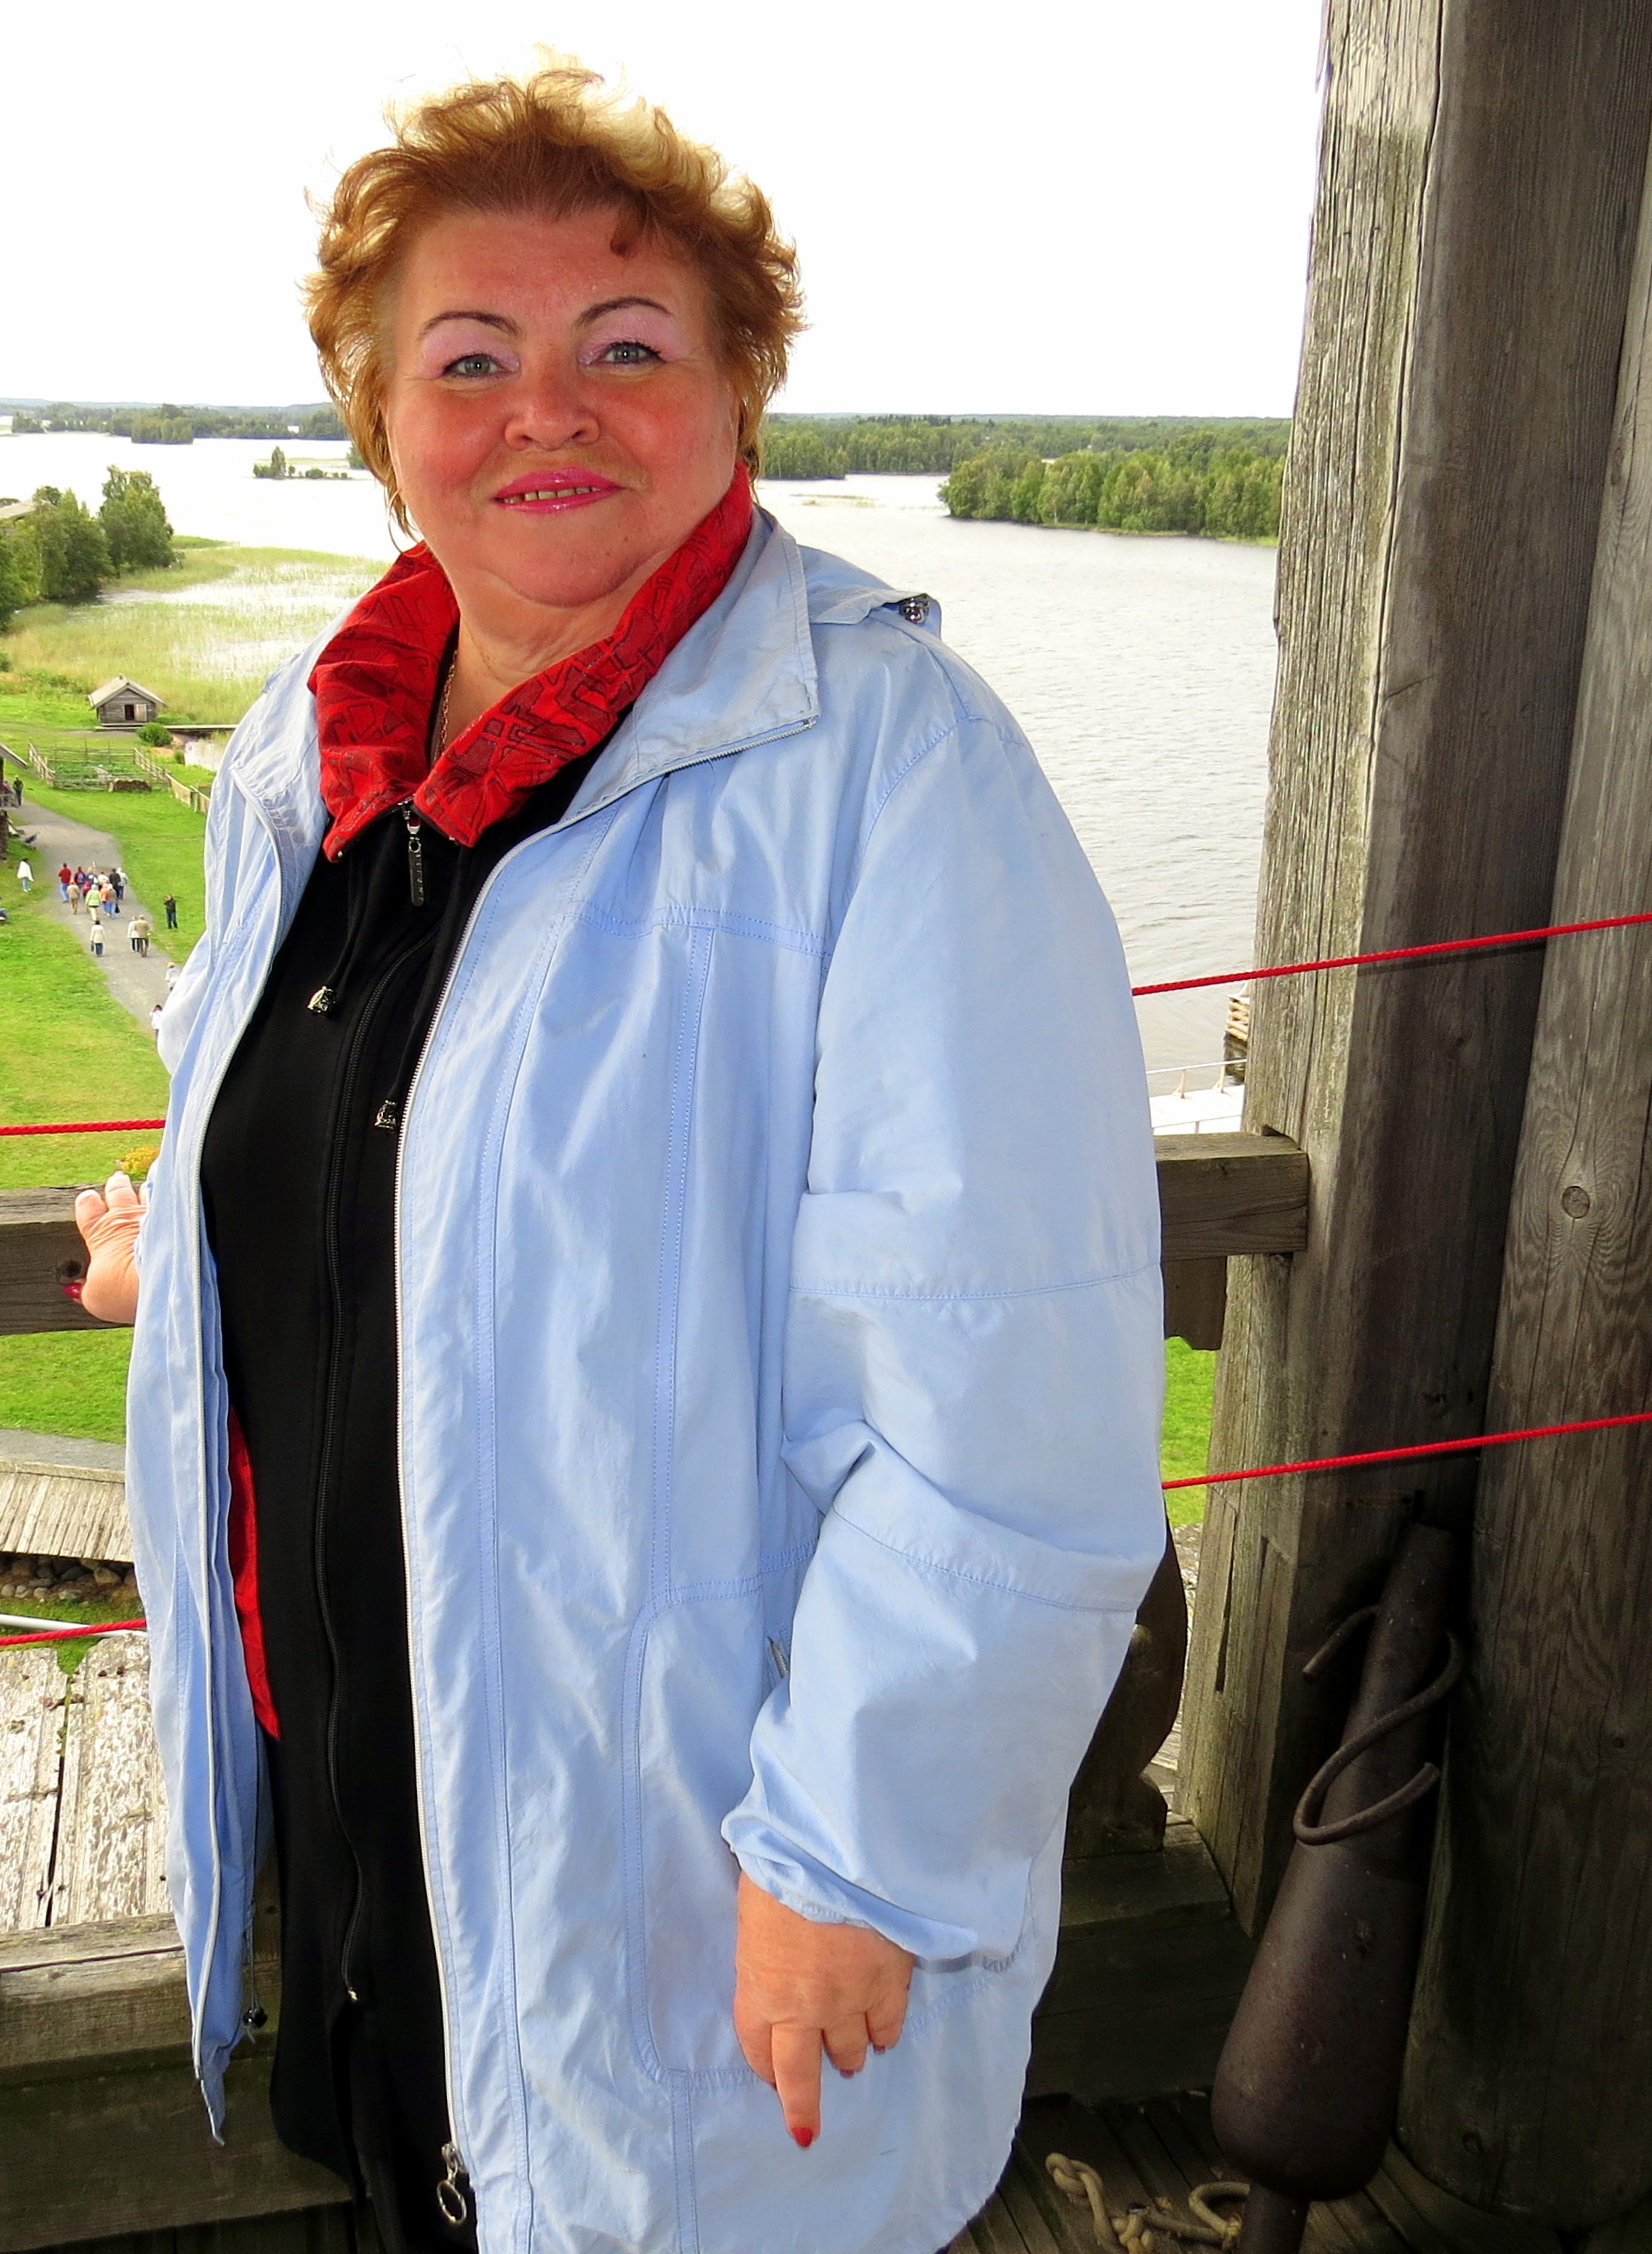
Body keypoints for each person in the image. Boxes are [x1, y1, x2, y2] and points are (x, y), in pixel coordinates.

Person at [71, 65, 1158, 2254]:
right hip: (382, 1810)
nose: (544, 411)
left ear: (741, 390)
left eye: (627, 346)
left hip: (697, 1855)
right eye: (470, 358)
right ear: (379, 417)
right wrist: (191, 1269)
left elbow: (1010, 1399)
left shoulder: (892, 774)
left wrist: (856, 1856)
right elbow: (394, 1143)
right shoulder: (308, 752)